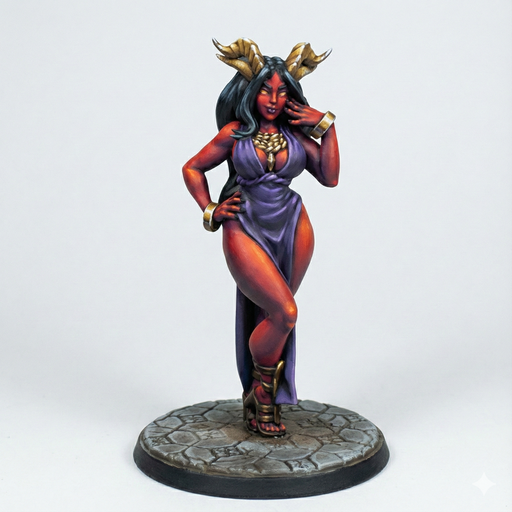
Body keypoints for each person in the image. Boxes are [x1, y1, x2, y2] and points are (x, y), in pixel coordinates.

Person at [182, 38, 339, 437]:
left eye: (282, 91)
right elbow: (192, 168)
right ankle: (263, 394)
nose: (273, 99)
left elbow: (330, 176)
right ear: (251, 92)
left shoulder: (295, 135)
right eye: (265, 90)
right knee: (284, 312)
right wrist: (210, 210)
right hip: (244, 223)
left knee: (277, 316)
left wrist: (326, 125)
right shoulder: (236, 133)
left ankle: (260, 392)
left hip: (292, 223)